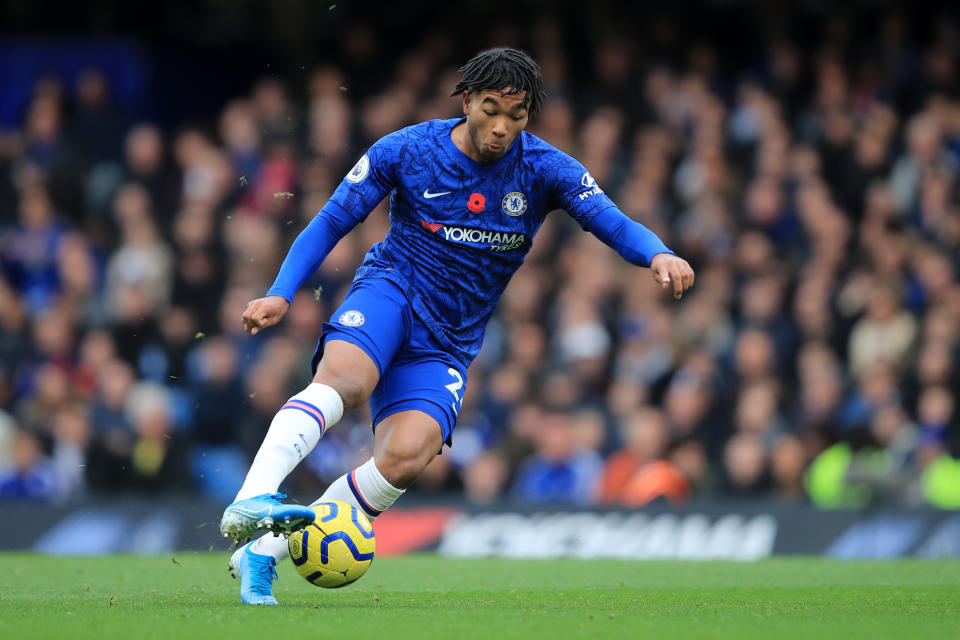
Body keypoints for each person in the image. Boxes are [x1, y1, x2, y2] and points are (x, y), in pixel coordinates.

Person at [219, 47, 695, 604]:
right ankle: (252, 499)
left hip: (449, 338)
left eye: (515, 117)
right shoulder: (407, 150)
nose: (501, 127)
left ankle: (262, 551)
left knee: (406, 455)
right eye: (490, 109)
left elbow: (611, 221)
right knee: (347, 381)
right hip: (392, 289)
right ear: (466, 100)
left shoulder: (545, 169)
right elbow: (332, 221)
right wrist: (281, 292)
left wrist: (658, 253)